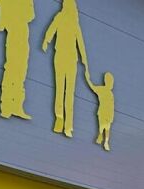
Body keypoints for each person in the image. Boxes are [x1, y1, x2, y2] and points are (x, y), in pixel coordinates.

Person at [42, 0, 88, 138]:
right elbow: (52, 29)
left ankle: (65, 123)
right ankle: (62, 121)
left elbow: (80, 42)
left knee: (63, 91)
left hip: (66, 59)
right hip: (65, 59)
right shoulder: (63, 18)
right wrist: (46, 40)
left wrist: (84, 59)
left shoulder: (70, 21)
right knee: (66, 92)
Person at [0, 0, 34, 120]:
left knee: (21, 71)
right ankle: (6, 106)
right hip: (14, 28)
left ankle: (17, 106)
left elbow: (31, 14)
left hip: (23, 30)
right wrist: (8, 10)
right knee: (12, 68)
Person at [85, 70, 114, 151]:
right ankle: (100, 136)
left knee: (107, 128)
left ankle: (105, 141)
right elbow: (92, 87)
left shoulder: (110, 93)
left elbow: (112, 106)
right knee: (102, 126)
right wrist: (87, 78)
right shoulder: (102, 90)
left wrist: (111, 117)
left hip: (108, 113)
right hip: (103, 112)